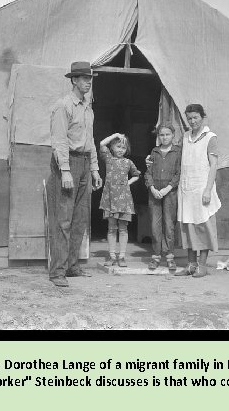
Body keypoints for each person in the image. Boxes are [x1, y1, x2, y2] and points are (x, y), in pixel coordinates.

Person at [47, 61, 103, 287]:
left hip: (84, 163)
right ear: (73, 80)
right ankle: (57, 272)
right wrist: (66, 170)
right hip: (67, 162)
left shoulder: (88, 109)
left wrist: (95, 169)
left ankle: (71, 265)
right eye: (83, 78)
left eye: (90, 78)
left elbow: (90, 142)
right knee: (64, 220)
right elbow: (59, 141)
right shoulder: (64, 106)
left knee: (80, 219)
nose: (88, 82)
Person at [175, 104, 222, 278]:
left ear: (203, 117)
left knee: (203, 227)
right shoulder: (186, 136)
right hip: (187, 189)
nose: (192, 121)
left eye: (195, 117)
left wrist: (208, 189)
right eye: (189, 118)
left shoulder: (210, 137)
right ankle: (190, 265)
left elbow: (214, 165)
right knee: (188, 226)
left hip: (202, 187)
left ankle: (202, 266)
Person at [99, 133, 140, 267]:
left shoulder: (128, 162)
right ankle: (111, 256)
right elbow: (101, 144)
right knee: (111, 229)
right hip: (110, 199)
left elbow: (136, 175)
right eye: (118, 146)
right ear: (112, 147)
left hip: (124, 201)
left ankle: (121, 256)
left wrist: (128, 183)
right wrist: (116, 135)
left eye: (123, 147)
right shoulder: (108, 159)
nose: (121, 149)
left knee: (123, 229)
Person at [144, 124, 181, 272]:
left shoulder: (177, 152)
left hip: (170, 192)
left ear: (173, 135)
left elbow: (179, 173)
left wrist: (167, 188)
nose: (164, 137)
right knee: (155, 225)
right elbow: (148, 173)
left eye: (167, 134)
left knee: (169, 224)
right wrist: (152, 188)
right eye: (161, 135)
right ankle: (156, 256)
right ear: (158, 136)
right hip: (155, 193)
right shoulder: (154, 152)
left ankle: (170, 257)